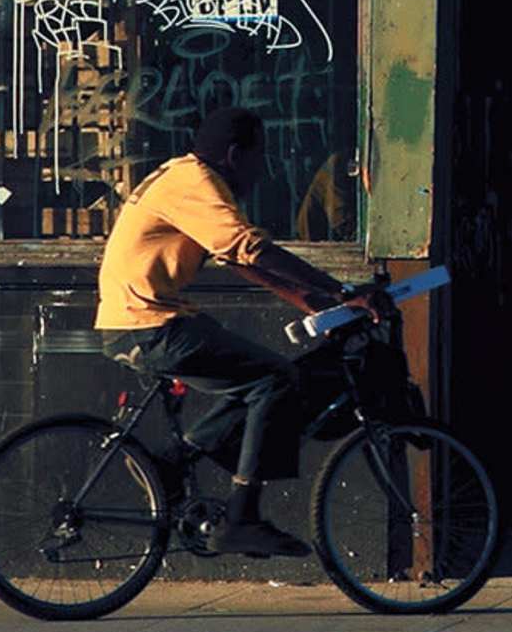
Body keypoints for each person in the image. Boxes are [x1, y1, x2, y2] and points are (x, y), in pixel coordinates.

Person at [93, 103, 350, 557]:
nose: (261, 170)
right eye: (258, 157)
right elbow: (249, 248)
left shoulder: (184, 177)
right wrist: (340, 287)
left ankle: (174, 461)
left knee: (251, 383)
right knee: (276, 379)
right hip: (149, 325)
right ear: (235, 155)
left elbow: (238, 260)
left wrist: (314, 301)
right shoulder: (197, 183)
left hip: (144, 321)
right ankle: (243, 517)